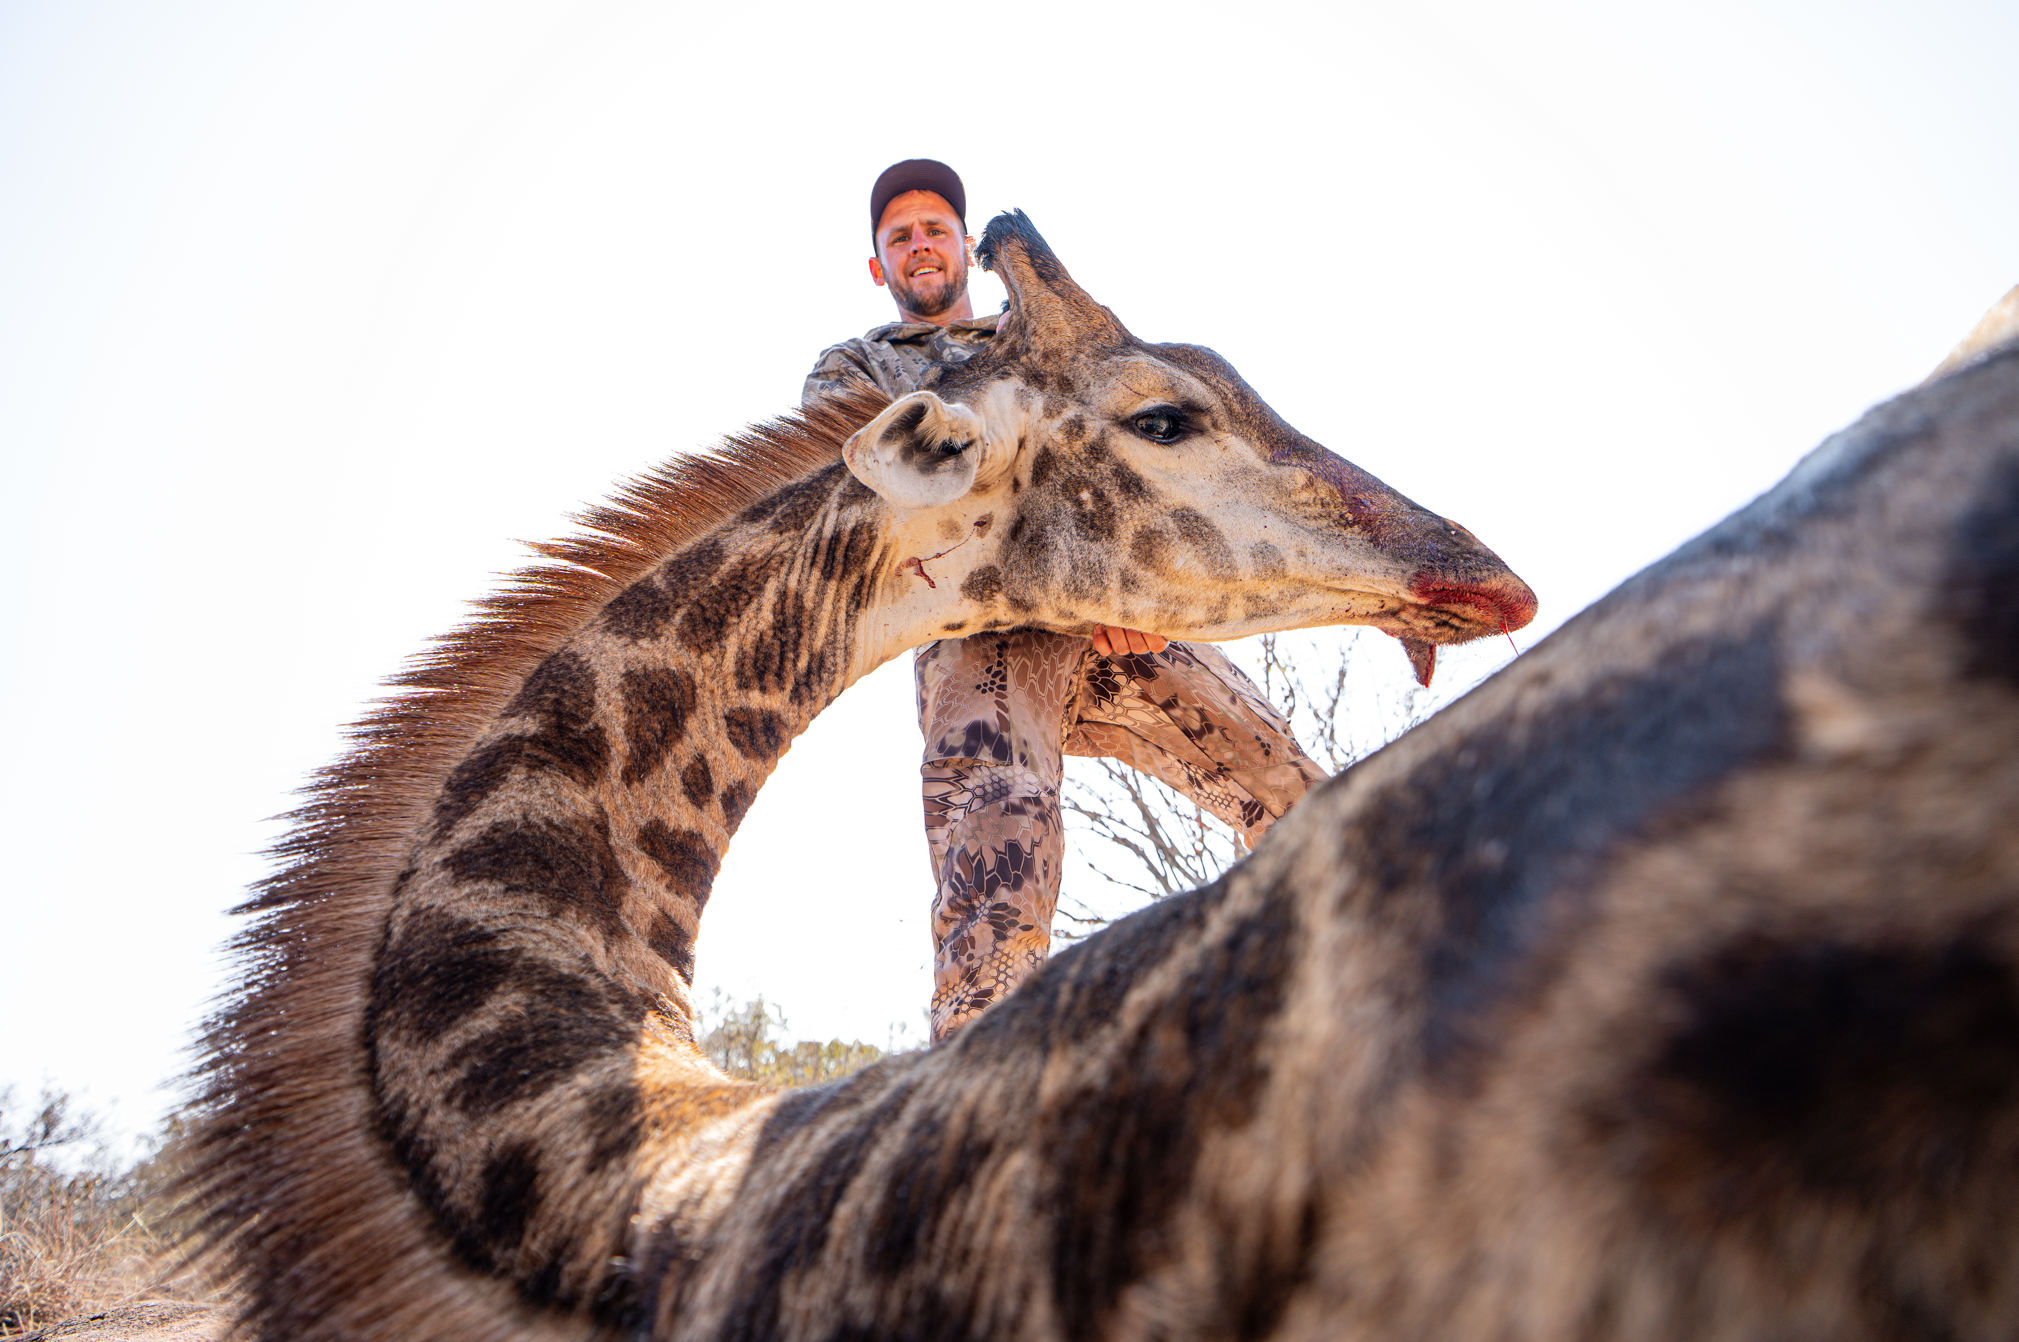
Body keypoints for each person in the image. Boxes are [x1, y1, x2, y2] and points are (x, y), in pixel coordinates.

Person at [804, 160, 1326, 1042]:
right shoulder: (854, 367)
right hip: (982, 636)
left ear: (965, 250)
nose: (919, 246)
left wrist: (1137, 590)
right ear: (877, 267)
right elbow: (867, 492)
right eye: (899, 237)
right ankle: (973, 1115)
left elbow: (1125, 466)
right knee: (991, 893)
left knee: (1291, 789)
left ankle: (1335, 1002)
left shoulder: (1045, 342)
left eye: (934, 230)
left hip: (1119, 622)